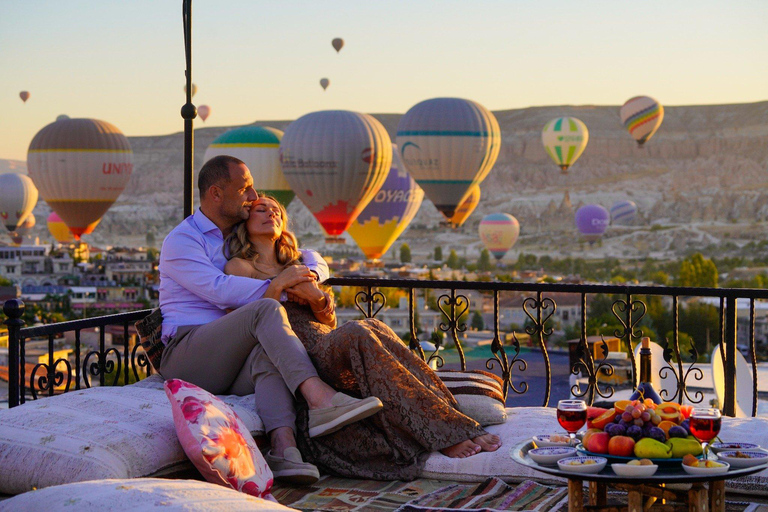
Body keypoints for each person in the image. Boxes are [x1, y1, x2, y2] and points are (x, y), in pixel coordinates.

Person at [224, 195, 502, 481]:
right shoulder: (240, 268)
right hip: (295, 356)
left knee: (373, 325)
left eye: (276, 211)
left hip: (325, 341)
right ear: (245, 220)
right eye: (261, 209)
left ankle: (450, 418)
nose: (271, 213)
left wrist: (317, 297)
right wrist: (280, 284)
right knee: (357, 331)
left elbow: (328, 321)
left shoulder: (300, 263)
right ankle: (445, 432)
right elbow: (248, 323)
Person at [158, 155, 383, 485]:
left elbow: (311, 257)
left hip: (231, 356)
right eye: (245, 189)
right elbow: (219, 290)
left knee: (270, 354)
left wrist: (306, 276)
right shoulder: (184, 240)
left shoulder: (238, 236)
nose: (253, 197)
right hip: (189, 352)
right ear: (216, 193)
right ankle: (320, 399)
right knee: (266, 309)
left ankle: (284, 450)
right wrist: (280, 286)